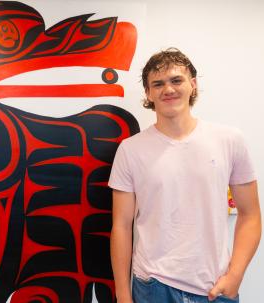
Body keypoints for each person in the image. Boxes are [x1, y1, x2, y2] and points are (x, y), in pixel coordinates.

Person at [108, 48, 261, 303]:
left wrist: (235, 275)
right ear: (148, 93)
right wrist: (123, 295)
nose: (168, 89)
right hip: (152, 286)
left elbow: (251, 214)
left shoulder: (229, 140)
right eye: (158, 84)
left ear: (193, 84)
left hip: (214, 289)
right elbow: (121, 226)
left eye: (176, 80)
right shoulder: (130, 149)